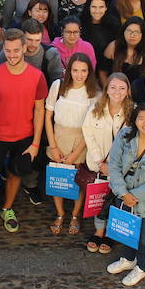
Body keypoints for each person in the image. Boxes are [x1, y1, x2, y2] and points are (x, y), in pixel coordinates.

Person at [0, 30, 47, 235]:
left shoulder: (37, 76)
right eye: (8, 51)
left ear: (25, 48)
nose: (12, 55)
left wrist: (36, 143)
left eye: (16, 50)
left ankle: (7, 208)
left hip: (24, 136)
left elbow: (39, 110)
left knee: (16, 173)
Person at [103, 103, 145, 287]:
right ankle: (128, 259)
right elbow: (114, 165)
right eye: (141, 118)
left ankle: (141, 267)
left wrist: (133, 196)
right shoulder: (124, 136)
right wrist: (124, 193)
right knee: (127, 230)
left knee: (143, 237)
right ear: (135, 120)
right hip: (123, 194)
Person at [44, 55, 99, 237]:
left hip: (81, 140)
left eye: (84, 70)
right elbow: (47, 116)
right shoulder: (58, 86)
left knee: (79, 179)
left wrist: (76, 153)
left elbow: (91, 127)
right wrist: (53, 146)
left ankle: (75, 214)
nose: (79, 74)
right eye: (75, 70)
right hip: (58, 136)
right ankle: (60, 213)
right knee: (57, 177)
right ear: (68, 70)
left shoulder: (94, 94)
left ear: (89, 72)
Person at [81, 73, 132, 254]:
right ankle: (99, 230)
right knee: (99, 198)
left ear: (127, 91)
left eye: (122, 88)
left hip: (120, 168)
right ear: (107, 89)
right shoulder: (96, 108)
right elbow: (88, 132)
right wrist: (99, 161)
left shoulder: (132, 112)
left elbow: (134, 142)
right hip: (98, 165)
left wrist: (115, 166)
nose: (117, 91)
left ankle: (111, 231)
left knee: (116, 199)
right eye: (113, 87)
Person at [81, 0, 120, 67]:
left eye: (101, 7)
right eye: (94, 7)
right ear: (88, 7)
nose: (97, 11)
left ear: (106, 8)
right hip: (84, 65)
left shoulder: (114, 24)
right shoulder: (80, 22)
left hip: (107, 66)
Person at [106, 16, 145, 81]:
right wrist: (107, 88)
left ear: (142, 34)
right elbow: (102, 71)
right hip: (114, 89)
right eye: (129, 31)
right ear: (123, 32)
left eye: (136, 32)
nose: (132, 35)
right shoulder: (113, 46)